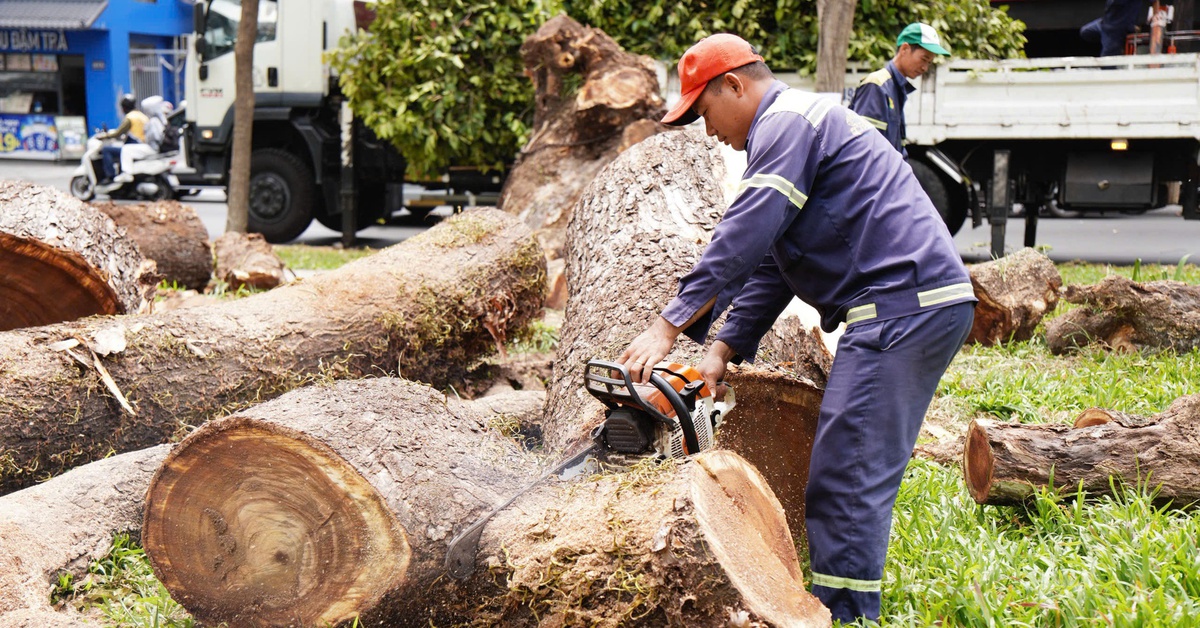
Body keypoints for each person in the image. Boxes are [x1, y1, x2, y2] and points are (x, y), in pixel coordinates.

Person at [618, 33, 976, 624]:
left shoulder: (785, 125)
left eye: (705, 113)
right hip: (907, 305)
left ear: (734, 84)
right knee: (846, 469)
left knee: (845, 475)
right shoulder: (799, 123)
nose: (710, 133)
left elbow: (749, 230)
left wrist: (667, 325)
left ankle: (844, 616)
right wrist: (721, 350)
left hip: (901, 309)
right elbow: (771, 263)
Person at [848, 22, 950, 156]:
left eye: (929, 62)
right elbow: (865, 148)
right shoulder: (877, 85)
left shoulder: (896, 88)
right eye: (923, 59)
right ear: (904, 49)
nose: (925, 68)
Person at [115, 96, 171, 183]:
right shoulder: (158, 119)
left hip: (153, 148)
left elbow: (156, 137)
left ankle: (127, 173)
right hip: (155, 147)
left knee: (126, 149)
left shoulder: (153, 121)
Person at [97, 94, 148, 183]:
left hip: (135, 147)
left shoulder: (130, 118)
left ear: (124, 107)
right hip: (143, 145)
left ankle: (110, 176)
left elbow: (118, 133)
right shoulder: (141, 116)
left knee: (106, 150)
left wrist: (104, 136)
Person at [1080, 0, 1145, 56]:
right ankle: (1110, 44)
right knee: (1085, 32)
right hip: (1105, 23)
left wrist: (1155, 16)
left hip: (1116, 30)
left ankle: (1116, 47)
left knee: (1107, 64)